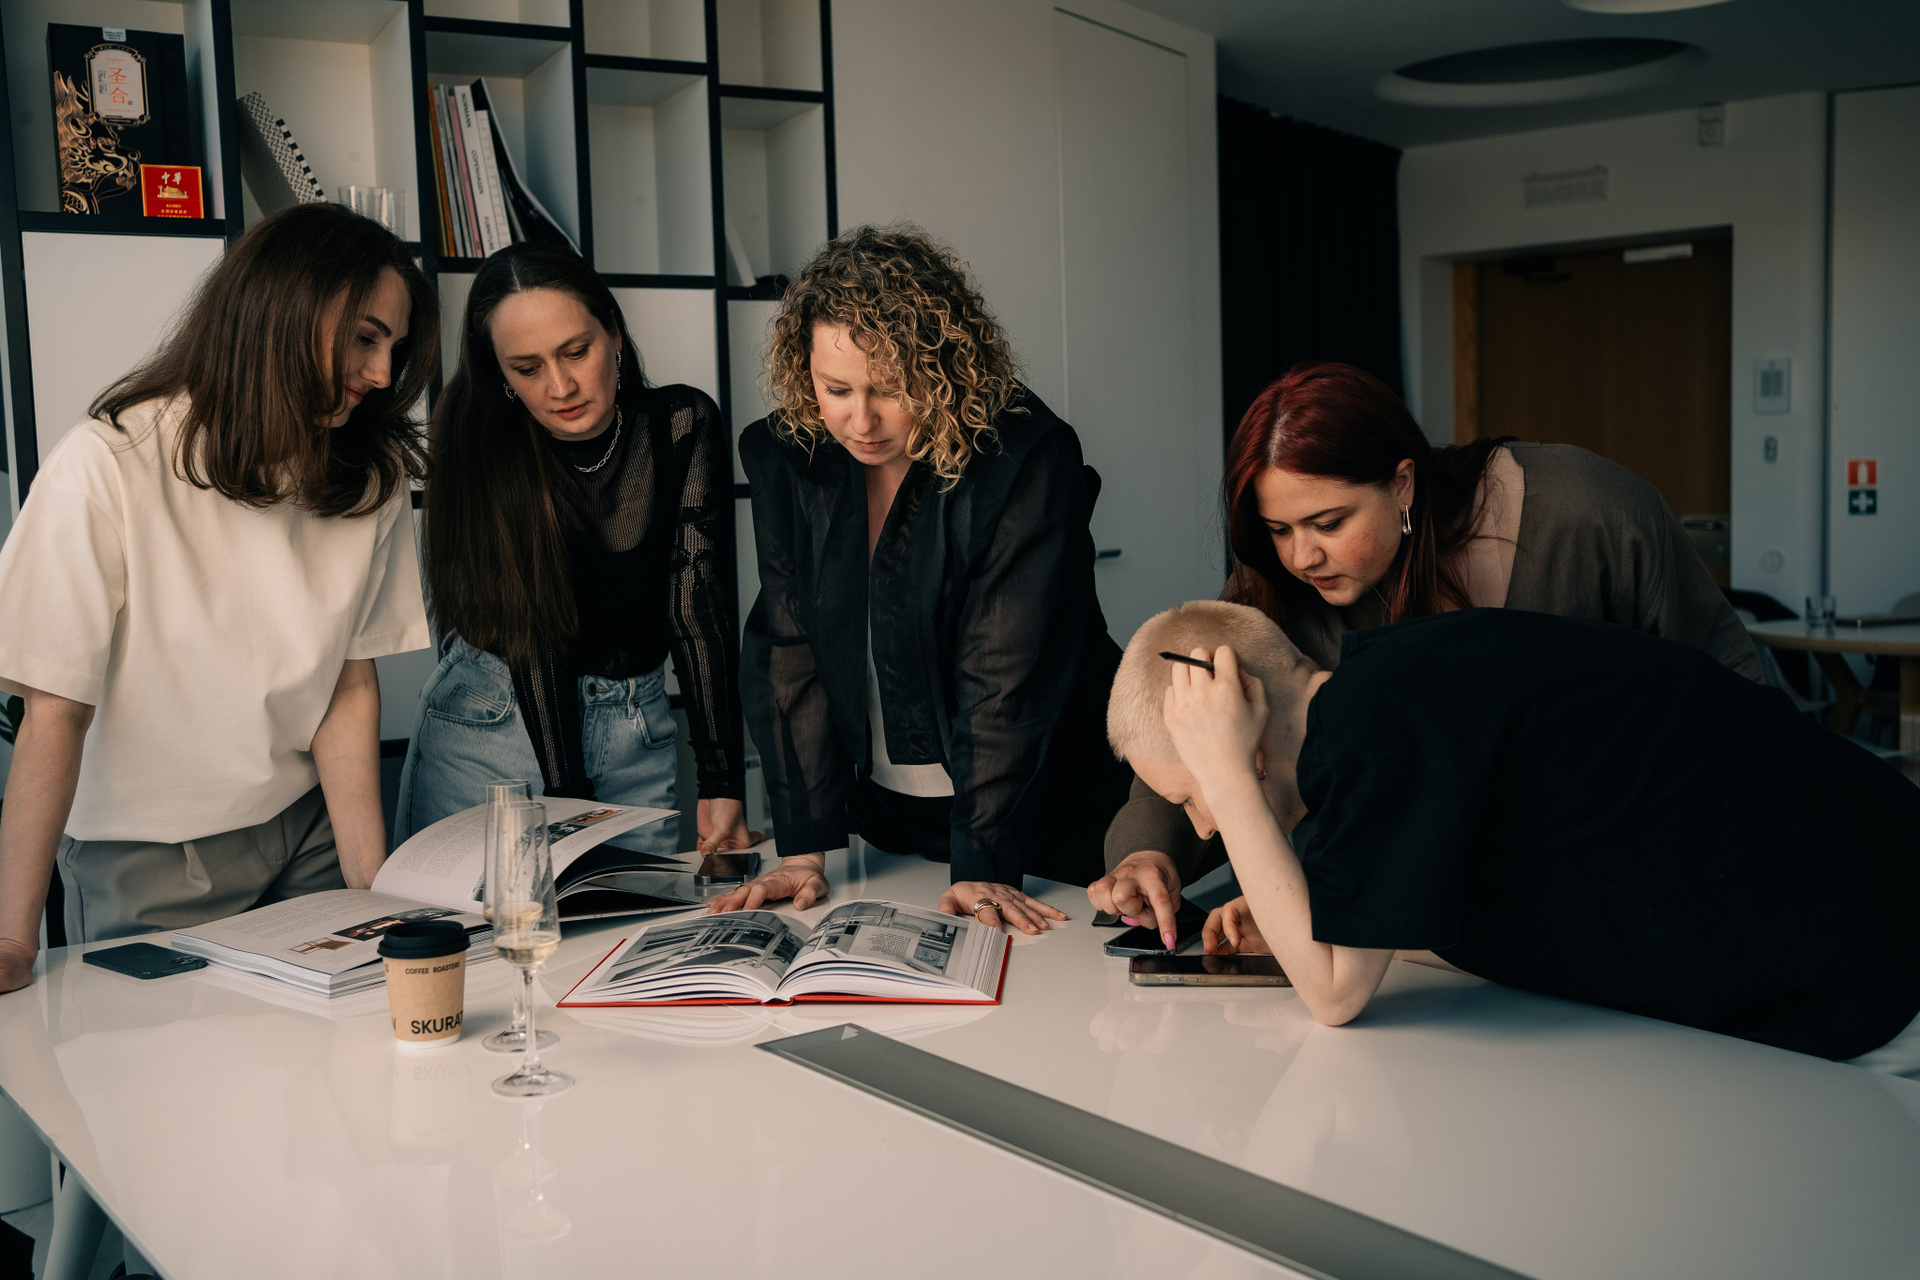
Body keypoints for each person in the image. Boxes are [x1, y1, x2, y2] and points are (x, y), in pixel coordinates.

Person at [1092, 361, 1766, 946]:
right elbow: (1187, 725)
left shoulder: (1584, 514)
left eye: (1329, 523)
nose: (1302, 557)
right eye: (1278, 529)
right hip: (1413, 932)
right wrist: (1148, 852)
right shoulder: (1278, 583)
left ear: (1403, 484)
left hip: (1616, 903)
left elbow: (1735, 704)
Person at [1106, 600, 1920, 1074]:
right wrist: (1314, 914)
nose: (1204, 826)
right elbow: (1443, 906)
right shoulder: (1381, 694)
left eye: (1193, 794)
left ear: (1240, 726)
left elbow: (1334, 996)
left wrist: (1229, 780)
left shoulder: (1369, 736)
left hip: (1870, 945)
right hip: (1858, 894)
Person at [0, 203, 438, 993]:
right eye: (365, 338)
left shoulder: (366, 477)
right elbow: (54, 711)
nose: (381, 375)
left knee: (352, 1052)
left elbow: (346, 687)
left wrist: (373, 894)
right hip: (150, 857)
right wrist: (11, 938)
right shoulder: (106, 464)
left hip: (305, 832)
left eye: (393, 349)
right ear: (284, 310)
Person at [707, 225, 1132, 933]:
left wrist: (984, 863)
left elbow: (1005, 677)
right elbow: (788, 649)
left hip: (1044, 818)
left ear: (944, 368)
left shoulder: (1021, 458)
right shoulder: (793, 457)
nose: (861, 419)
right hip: (891, 821)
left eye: (892, 388)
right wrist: (804, 851)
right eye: (836, 389)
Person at [395, 244, 751, 856]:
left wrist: (723, 779)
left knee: (633, 919)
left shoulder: (680, 424)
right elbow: (533, 633)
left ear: (613, 333)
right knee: (494, 923)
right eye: (526, 368)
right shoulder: (481, 438)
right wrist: (571, 810)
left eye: (576, 352)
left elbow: (696, 609)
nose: (560, 387)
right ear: (499, 372)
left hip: (634, 728)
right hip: (494, 728)